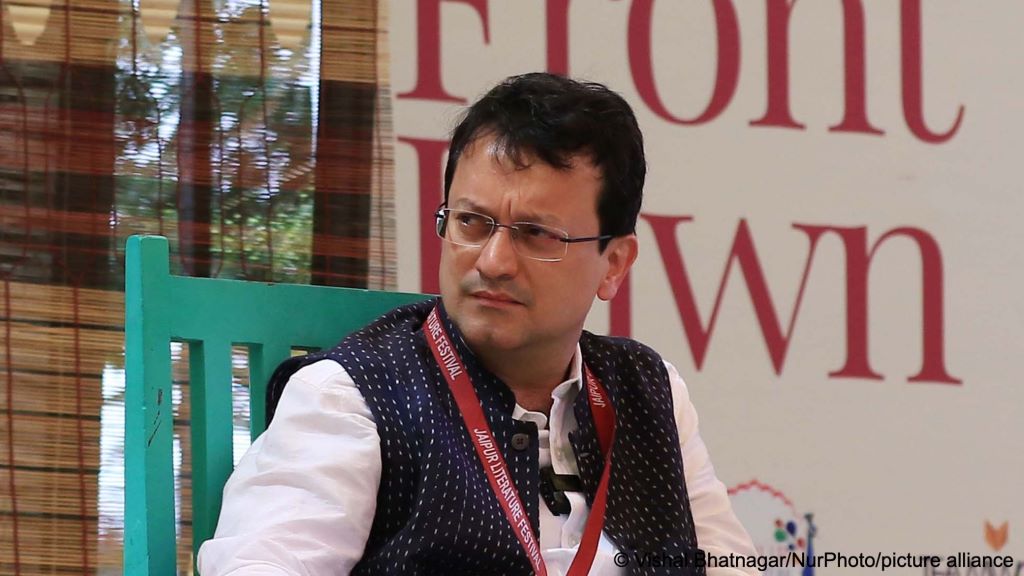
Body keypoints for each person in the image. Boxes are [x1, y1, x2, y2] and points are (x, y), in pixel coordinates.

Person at [198, 72, 757, 575]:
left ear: (613, 264)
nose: (492, 261)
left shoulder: (650, 391)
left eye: (537, 233)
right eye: (471, 222)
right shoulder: (351, 394)